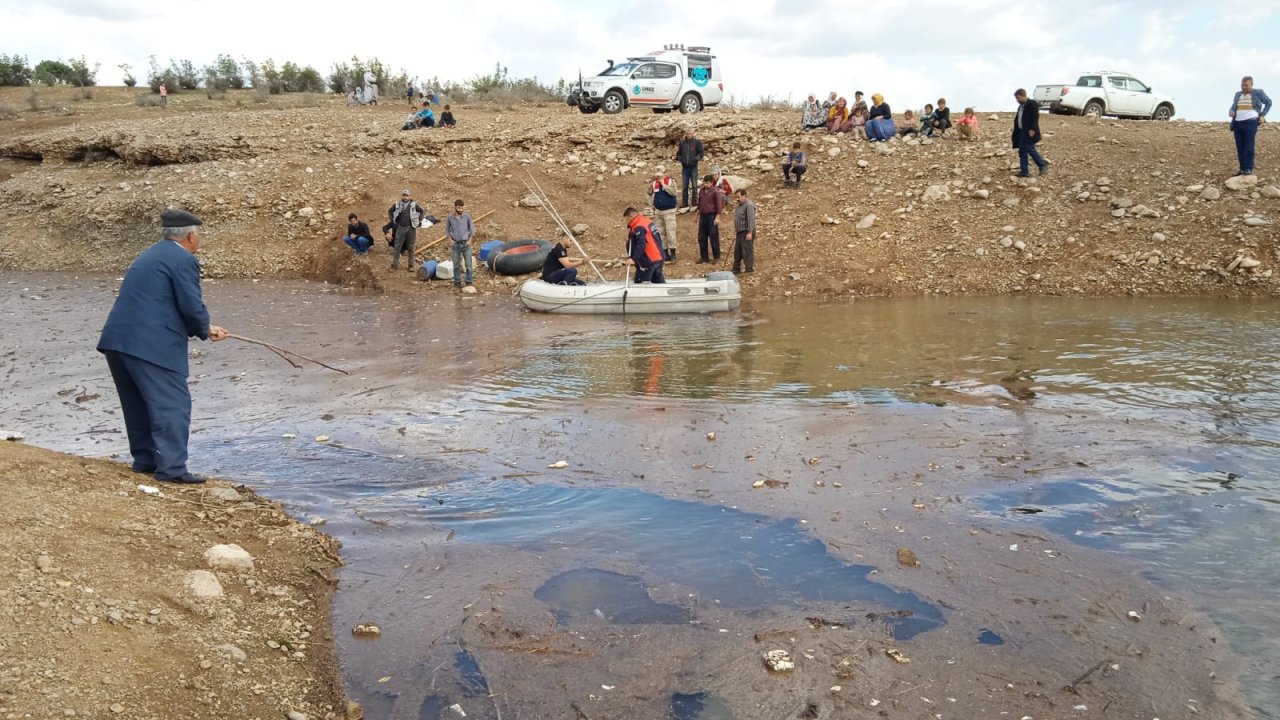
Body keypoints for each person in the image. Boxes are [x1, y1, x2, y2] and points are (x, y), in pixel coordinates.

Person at [97, 209, 228, 485]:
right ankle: (172, 469)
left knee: (137, 403)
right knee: (172, 405)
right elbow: (191, 305)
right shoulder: (183, 260)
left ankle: (146, 460)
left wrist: (205, 327)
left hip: (118, 341)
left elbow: (157, 300)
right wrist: (203, 327)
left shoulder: (150, 255)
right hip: (151, 344)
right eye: (199, 235)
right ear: (191, 236)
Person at [1230, 76, 1272, 176]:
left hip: (1250, 122)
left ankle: (1248, 168)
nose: (1244, 87)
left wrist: (1262, 115)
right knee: (1240, 147)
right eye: (1242, 85)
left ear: (1251, 85)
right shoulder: (1238, 94)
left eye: (1246, 85)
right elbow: (1234, 105)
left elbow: (1268, 102)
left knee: (1248, 146)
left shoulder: (1258, 92)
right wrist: (1231, 110)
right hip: (1237, 123)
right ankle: (1242, 168)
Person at [1012, 88, 1049, 177]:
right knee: (1022, 151)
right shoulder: (1020, 107)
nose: (1017, 100)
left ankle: (1042, 164)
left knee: (1030, 148)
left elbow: (1035, 117)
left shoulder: (1032, 103)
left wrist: (1032, 129)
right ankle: (1024, 171)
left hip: (1029, 131)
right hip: (1021, 132)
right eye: (1016, 98)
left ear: (1024, 96)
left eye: (1018, 98)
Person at [623, 207, 666, 283]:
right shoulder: (647, 221)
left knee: (640, 283)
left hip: (649, 260)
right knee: (658, 282)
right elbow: (657, 237)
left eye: (627, 219)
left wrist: (634, 258)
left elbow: (641, 244)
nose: (627, 221)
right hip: (659, 257)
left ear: (631, 216)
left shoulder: (639, 227)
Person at [387, 189, 425, 271]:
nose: (405, 197)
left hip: (411, 228)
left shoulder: (413, 205)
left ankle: (411, 266)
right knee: (397, 247)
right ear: (401, 196)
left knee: (411, 247)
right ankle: (394, 265)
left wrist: (419, 220)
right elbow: (390, 211)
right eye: (404, 195)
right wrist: (392, 219)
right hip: (401, 228)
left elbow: (422, 211)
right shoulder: (397, 204)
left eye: (407, 195)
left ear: (409, 196)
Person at [648, 166, 680, 263]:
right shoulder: (654, 183)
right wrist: (652, 204)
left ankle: (673, 253)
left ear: (664, 173)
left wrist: (664, 185)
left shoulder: (670, 181)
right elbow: (648, 193)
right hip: (658, 211)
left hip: (669, 211)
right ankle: (665, 253)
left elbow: (674, 193)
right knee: (661, 233)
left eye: (660, 174)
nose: (658, 177)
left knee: (670, 232)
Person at [446, 199, 476, 289]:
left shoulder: (467, 217)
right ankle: (457, 282)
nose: (461, 209)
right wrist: (450, 240)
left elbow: (472, 229)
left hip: (466, 244)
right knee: (456, 265)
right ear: (455, 207)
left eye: (462, 207)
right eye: (459, 207)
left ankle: (469, 282)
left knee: (468, 265)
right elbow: (447, 230)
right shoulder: (450, 218)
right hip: (455, 244)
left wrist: (470, 240)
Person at [695, 174, 724, 264]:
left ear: (711, 183)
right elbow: (699, 204)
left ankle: (717, 256)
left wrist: (717, 217)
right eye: (705, 183)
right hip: (703, 216)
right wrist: (696, 215)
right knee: (701, 237)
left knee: (713, 236)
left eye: (708, 183)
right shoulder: (702, 191)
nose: (706, 185)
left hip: (711, 215)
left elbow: (719, 206)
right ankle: (704, 257)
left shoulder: (715, 192)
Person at [675, 128, 704, 208]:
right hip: (685, 167)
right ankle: (685, 203)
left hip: (694, 167)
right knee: (684, 186)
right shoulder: (682, 143)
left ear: (693, 133)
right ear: (685, 134)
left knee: (694, 185)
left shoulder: (697, 142)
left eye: (690, 133)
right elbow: (678, 154)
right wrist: (680, 159)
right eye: (687, 133)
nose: (688, 134)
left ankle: (694, 202)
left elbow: (701, 152)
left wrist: (696, 159)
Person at [732, 188, 756, 274]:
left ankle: (749, 269)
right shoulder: (739, 205)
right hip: (740, 232)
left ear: (744, 195)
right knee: (737, 251)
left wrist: (749, 232)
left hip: (746, 231)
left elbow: (751, 219)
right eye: (736, 197)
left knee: (747, 251)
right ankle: (736, 269)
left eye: (738, 197)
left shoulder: (749, 205)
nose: (737, 199)